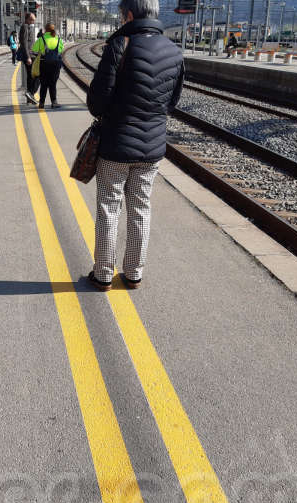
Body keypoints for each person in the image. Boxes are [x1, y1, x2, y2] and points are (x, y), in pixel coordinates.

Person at [86, 0, 184, 291]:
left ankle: (103, 274)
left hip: (116, 146)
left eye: (120, 16)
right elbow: (172, 102)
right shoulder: (174, 51)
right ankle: (133, 274)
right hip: (152, 148)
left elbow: (97, 103)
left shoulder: (120, 45)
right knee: (141, 208)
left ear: (129, 15)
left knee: (109, 208)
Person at [32, 23, 63, 109]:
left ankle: (41, 103)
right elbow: (60, 50)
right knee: (53, 84)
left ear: (45, 30)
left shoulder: (41, 39)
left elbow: (34, 50)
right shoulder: (58, 39)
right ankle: (54, 102)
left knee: (44, 84)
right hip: (55, 64)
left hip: (44, 64)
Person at [18, 13, 39, 104]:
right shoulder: (25, 27)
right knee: (37, 75)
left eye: (34, 20)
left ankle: (30, 97)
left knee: (31, 76)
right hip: (30, 56)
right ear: (27, 19)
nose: (33, 21)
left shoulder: (28, 27)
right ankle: (30, 93)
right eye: (32, 20)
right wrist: (28, 57)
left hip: (32, 55)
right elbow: (24, 43)